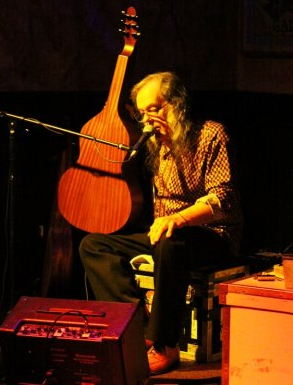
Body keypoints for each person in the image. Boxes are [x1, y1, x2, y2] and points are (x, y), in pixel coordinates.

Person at [79, 71, 243, 375]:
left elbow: (225, 198)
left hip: (212, 236)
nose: (147, 120)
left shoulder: (211, 135)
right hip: (168, 235)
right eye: (142, 113)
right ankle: (136, 330)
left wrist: (179, 218)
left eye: (154, 109)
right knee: (94, 245)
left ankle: (165, 346)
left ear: (177, 105)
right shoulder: (157, 144)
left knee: (172, 240)